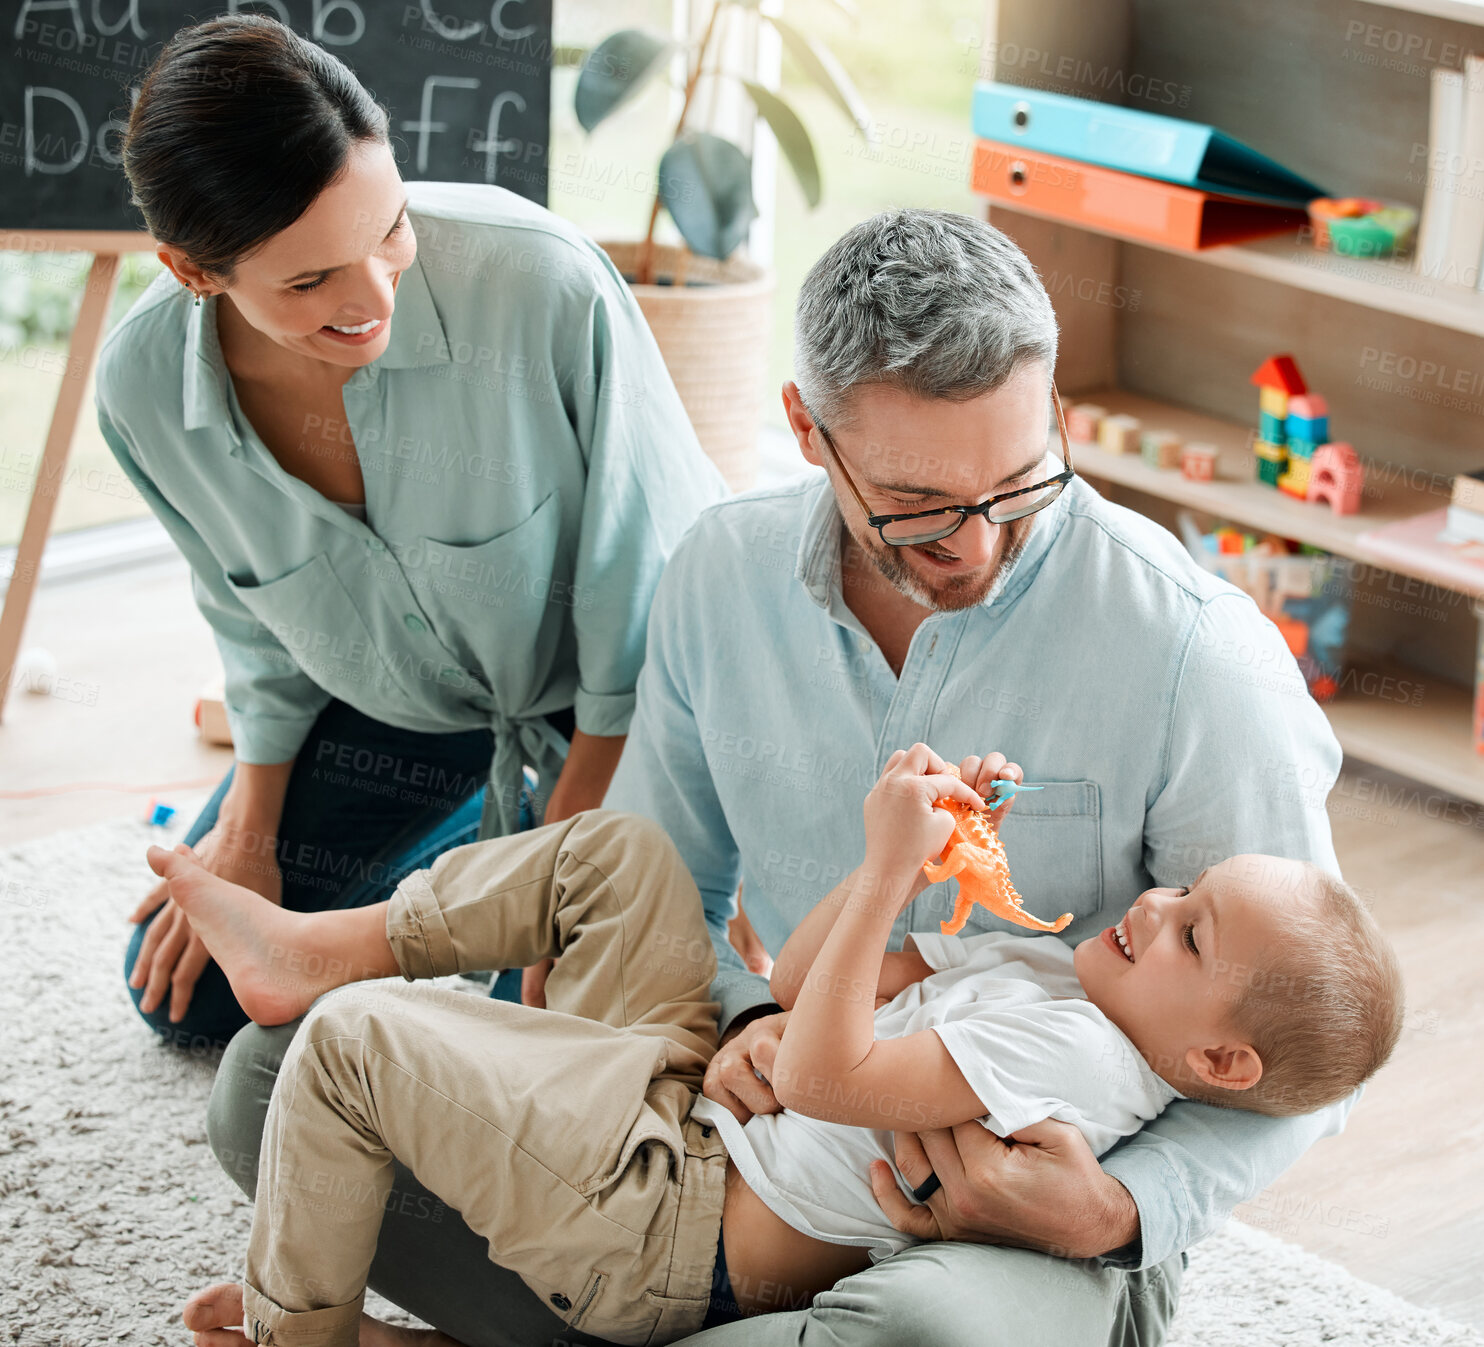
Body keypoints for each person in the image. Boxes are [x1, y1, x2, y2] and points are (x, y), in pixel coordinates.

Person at [207, 209, 1357, 1347]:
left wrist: (1114, 1211)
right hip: (737, 1116)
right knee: (272, 1082)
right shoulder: (724, 570)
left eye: (1016, 486)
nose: (977, 545)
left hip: (1001, 1231)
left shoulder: (1196, 655)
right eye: (915, 507)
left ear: (1051, 411)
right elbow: (670, 887)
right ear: (807, 430)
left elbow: (1300, 1053)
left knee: (920, 1335)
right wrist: (755, 1016)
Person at [155, 746, 1402, 1347]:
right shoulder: (1047, 970)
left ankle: (295, 1338)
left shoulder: (1081, 1063)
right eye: (1180, 892)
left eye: (1190, 933)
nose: (1150, 905)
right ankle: (322, 945)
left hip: (669, 1224)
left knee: (360, 1048)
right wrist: (902, 874)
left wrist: (879, 872)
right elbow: (803, 985)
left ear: (1220, 1063)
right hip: (696, 1111)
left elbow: (823, 1074)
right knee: (623, 853)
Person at [97, 15, 726, 1047]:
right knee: (185, 990)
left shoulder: (541, 285)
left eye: (388, 227)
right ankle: (445, 891)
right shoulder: (143, 393)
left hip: (625, 703)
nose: (373, 297)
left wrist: (559, 866)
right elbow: (254, 627)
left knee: (568, 1012)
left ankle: (435, 908)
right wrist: (246, 841)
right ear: (192, 271)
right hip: (400, 714)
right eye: (308, 283)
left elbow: (646, 596)